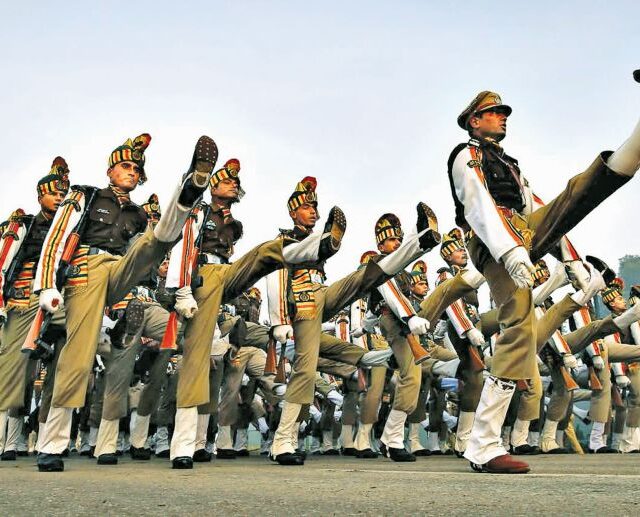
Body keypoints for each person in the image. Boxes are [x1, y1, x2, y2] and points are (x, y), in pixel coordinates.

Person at [448, 86, 640, 473]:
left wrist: (571, 260)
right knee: (519, 328)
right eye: (495, 112)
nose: (503, 117)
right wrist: (510, 251)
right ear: (474, 120)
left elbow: (540, 209)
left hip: (521, 231)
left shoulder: (510, 163)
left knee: (573, 193)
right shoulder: (466, 154)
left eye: (504, 113)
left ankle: (634, 146)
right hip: (490, 241)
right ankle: (482, 444)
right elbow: (477, 205)